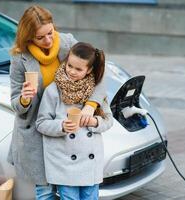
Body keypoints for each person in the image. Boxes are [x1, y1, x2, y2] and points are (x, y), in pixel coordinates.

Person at [7, 6, 106, 200]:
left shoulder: (67, 42)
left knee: (72, 189)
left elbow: (99, 71)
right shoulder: (20, 57)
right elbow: (15, 103)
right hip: (35, 133)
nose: (48, 40)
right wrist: (25, 98)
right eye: (40, 37)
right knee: (44, 192)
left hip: (67, 132)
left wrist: (91, 105)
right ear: (28, 37)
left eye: (50, 33)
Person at [36, 42, 113, 200]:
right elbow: (41, 123)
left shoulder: (96, 92)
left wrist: (95, 122)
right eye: (69, 66)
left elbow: (109, 120)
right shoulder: (53, 91)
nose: (71, 71)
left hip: (90, 164)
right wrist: (62, 126)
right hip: (64, 164)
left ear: (89, 70)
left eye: (78, 69)